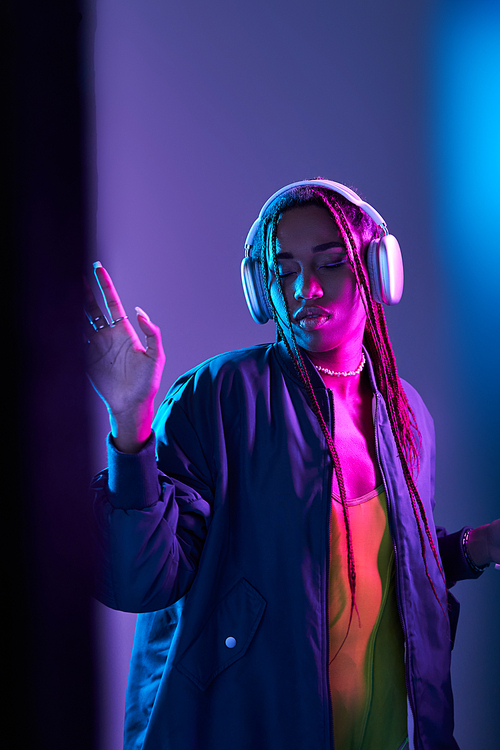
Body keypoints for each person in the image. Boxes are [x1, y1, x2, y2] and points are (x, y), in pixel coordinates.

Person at [85, 180, 500, 750]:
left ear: (378, 270)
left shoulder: (407, 417)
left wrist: (476, 548)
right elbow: (140, 578)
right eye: (282, 271)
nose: (305, 287)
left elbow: (382, 569)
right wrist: (130, 425)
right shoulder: (220, 396)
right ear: (262, 287)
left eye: (331, 263)